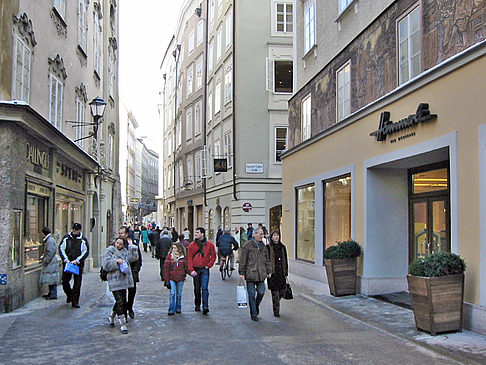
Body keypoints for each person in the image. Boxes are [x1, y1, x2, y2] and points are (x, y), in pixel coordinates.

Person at [102, 237, 139, 334]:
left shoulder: (125, 252)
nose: (118, 245)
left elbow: (134, 258)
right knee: (120, 300)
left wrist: (132, 247)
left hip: (123, 280)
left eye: (120, 244)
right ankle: (122, 323)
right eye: (117, 243)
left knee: (122, 300)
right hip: (114, 280)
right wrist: (116, 262)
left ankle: (111, 316)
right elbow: (105, 265)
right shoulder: (109, 251)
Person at [239, 227, 271, 321]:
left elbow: (267, 259)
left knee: (261, 292)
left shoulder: (263, 246)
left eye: (262, 234)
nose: (262, 236)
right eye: (260, 234)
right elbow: (243, 260)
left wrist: (269, 271)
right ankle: (254, 314)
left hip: (261, 274)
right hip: (250, 273)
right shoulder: (247, 245)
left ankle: (255, 306)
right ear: (254, 234)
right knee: (251, 295)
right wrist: (242, 272)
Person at [59, 223, 90, 308]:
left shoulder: (83, 240)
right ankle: (69, 294)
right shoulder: (66, 238)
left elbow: (85, 252)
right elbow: (61, 249)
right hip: (67, 264)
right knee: (65, 281)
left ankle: (75, 301)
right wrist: (66, 260)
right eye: (73, 229)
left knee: (77, 283)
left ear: (80, 230)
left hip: (78, 265)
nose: (74, 231)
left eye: (76, 230)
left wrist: (77, 260)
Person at [187, 227, 217, 315]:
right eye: (195, 233)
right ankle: (197, 303)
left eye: (197, 233)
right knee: (197, 288)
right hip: (196, 269)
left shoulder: (209, 245)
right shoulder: (192, 245)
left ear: (202, 234)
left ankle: (205, 306)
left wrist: (209, 265)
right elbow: (189, 258)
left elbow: (214, 255)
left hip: (204, 269)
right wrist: (191, 269)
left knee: (204, 287)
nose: (195, 234)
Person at [119, 226, 142, 319]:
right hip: (121, 272)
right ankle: (124, 310)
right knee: (122, 292)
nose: (120, 235)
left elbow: (138, 258)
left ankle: (130, 307)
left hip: (132, 271)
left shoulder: (133, 244)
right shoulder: (116, 245)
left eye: (122, 233)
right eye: (119, 233)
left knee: (132, 291)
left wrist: (136, 269)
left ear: (127, 234)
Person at [267, 230, 288, 317]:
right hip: (273, 273)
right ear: (271, 237)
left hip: (281, 273)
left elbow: (285, 260)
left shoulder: (282, 247)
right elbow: (267, 260)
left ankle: (276, 303)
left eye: (278, 235)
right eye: (274, 235)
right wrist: (268, 271)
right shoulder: (268, 247)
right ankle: (276, 311)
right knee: (274, 293)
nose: (276, 237)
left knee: (282, 291)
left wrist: (286, 272)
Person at [164, 242, 189, 315]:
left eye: (175, 248)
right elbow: (166, 268)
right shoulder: (169, 257)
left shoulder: (183, 257)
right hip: (172, 277)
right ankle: (171, 308)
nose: (173, 249)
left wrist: (192, 273)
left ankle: (178, 307)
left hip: (180, 277)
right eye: (172, 248)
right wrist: (166, 279)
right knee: (172, 293)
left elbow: (186, 268)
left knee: (179, 294)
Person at [40, 227, 61, 300]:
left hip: (51, 262)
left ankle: (53, 294)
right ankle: (51, 292)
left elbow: (50, 252)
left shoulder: (49, 240)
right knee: (51, 278)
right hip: (52, 261)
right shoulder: (50, 239)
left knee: (52, 278)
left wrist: (46, 260)